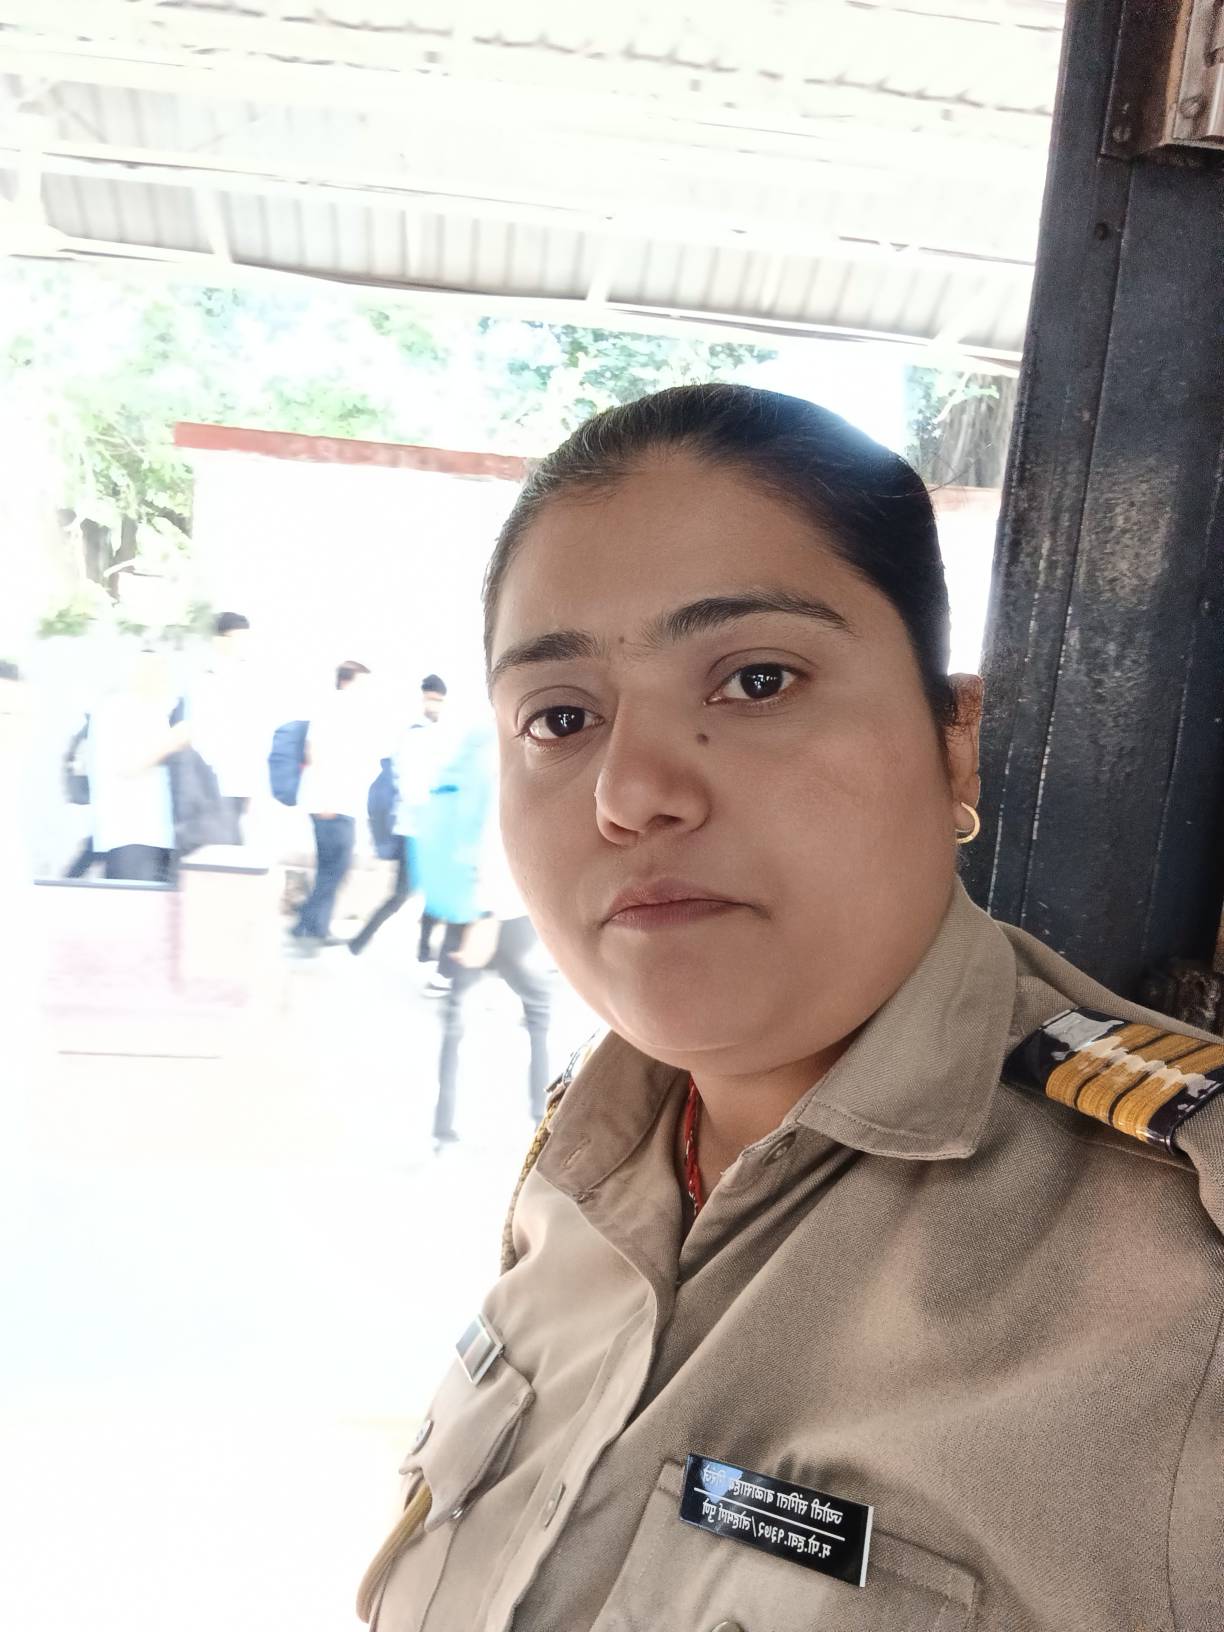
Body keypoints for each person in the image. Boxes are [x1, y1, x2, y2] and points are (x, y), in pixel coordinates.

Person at [357, 385, 1224, 1632]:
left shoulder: (1184, 1279)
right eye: (561, 717)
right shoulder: (591, 1154)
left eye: (756, 680)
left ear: (953, 741)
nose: (631, 792)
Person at [426, 766, 552, 1150]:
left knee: (455, 1025)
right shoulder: (505, 770)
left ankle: (443, 1128)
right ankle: (542, 1120)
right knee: (537, 1014)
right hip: (500, 915)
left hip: (473, 913)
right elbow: (492, 846)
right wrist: (489, 915)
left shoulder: (468, 770)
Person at [348, 673, 448, 958]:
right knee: (402, 893)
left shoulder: (437, 733)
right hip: (415, 828)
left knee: (434, 893)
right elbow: (411, 786)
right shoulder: (414, 735)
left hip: (429, 828)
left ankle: (423, 950)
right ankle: (359, 942)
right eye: (430, 699)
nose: (434, 705)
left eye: (438, 700)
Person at [290, 659, 378, 954]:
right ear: (346, 681)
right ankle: (310, 924)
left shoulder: (348, 711)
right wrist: (326, 799)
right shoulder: (333, 707)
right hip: (331, 804)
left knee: (331, 867)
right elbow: (314, 753)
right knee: (335, 867)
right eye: (362, 683)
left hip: (340, 803)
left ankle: (312, 924)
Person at [86, 647, 185, 882]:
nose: (156, 676)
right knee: (136, 902)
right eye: (148, 670)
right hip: (131, 834)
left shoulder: (167, 709)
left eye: (161, 669)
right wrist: (174, 740)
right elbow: (127, 764)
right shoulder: (115, 709)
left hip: (172, 837)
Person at [188, 611, 262, 844]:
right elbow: (199, 734)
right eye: (236, 639)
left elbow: (251, 735)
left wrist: (251, 785)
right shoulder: (205, 679)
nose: (242, 647)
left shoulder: (249, 678)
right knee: (220, 848)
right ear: (220, 640)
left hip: (238, 781)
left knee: (232, 846)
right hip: (211, 781)